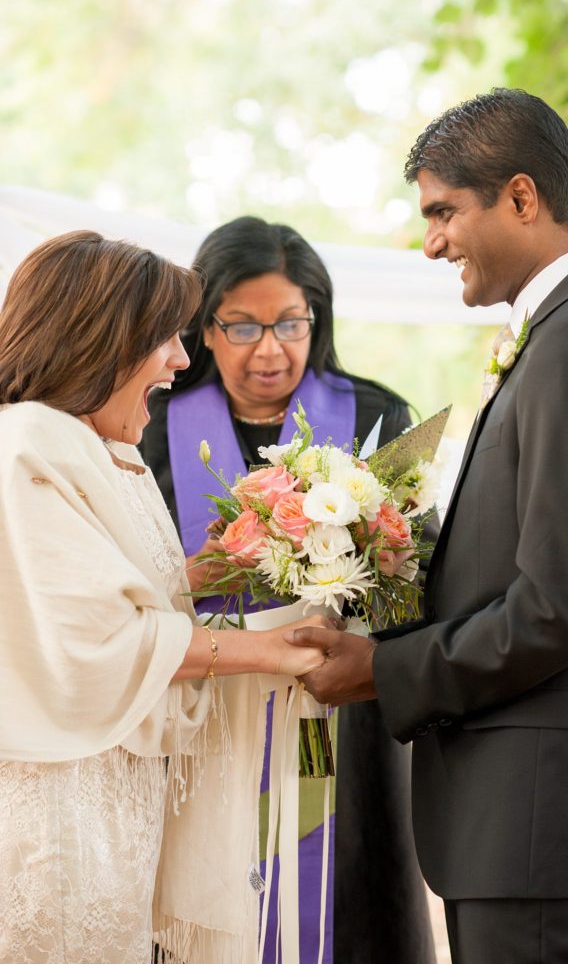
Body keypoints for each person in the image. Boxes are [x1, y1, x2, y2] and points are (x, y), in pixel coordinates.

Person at [287, 88, 568, 963]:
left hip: (541, 813)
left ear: (520, 197)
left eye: (442, 211)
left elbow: (560, 610)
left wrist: (383, 670)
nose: (430, 241)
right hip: (528, 817)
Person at [0, 230, 328, 964]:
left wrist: (215, 567)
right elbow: (100, 638)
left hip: (115, 795)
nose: (182, 359)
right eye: (164, 340)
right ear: (100, 342)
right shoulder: (27, 443)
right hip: (63, 809)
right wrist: (272, 651)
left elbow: (105, 593)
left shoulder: (97, 448)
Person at [140, 215, 437, 964]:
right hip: (200, 713)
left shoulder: (376, 417)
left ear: (317, 319)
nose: (270, 349)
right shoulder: (147, 424)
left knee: (341, 904)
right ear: (202, 329)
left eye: (291, 323)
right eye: (241, 327)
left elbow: (416, 578)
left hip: (332, 712)